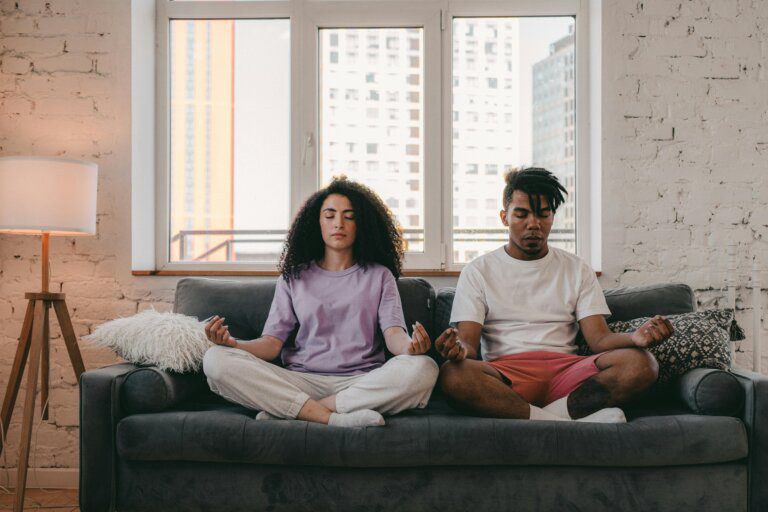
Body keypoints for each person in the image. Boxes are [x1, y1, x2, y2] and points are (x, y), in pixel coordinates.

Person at [437, 167, 673, 423]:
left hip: (568, 374)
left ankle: (542, 418)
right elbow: (469, 345)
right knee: (453, 375)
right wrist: (457, 349)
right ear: (505, 217)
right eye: (522, 214)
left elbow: (599, 340)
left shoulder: (576, 268)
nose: (533, 224)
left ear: (552, 217)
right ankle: (560, 420)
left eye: (543, 214)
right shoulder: (478, 271)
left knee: (642, 364)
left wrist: (635, 338)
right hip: (506, 376)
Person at [202, 177, 442, 428]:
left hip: (360, 381)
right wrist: (233, 345)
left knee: (424, 367)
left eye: (349, 216)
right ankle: (332, 417)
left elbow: (394, 335)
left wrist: (410, 348)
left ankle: (295, 410)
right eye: (330, 215)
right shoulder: (293, 277)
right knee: (216, 359)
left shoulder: (379, 275)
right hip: (300, 380)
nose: (339, 223)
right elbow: (271, 344)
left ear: (362, 224)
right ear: (316, 223)